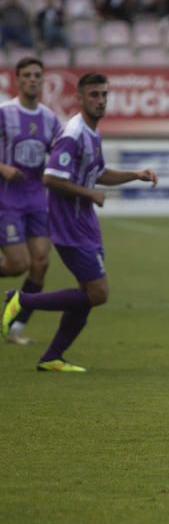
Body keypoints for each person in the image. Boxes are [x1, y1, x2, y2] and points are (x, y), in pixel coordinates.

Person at [1, 73, 158, 372]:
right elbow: (50, 177)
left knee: (87, 295)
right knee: (98, 293)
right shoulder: (73, 134)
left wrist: (134, 174)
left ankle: (52, 357)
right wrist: (89, 193)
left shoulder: (91, 132)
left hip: (85, 223)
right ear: (81, 98)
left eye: (104, 95)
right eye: (94, 95)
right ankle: (21, 301)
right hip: (69, 225)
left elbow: (97, 172)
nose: (100, 101)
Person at [0, 58, 63, 346]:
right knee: (17, 264)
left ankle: (14, 325)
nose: (33, 80)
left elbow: (62, 154)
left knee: (40, 263)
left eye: (38, 75)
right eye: (27, 75)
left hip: (37, 199)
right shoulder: (5, 113)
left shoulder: (50, 118)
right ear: (18, 79)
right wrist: (3, 168)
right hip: (7, 200)